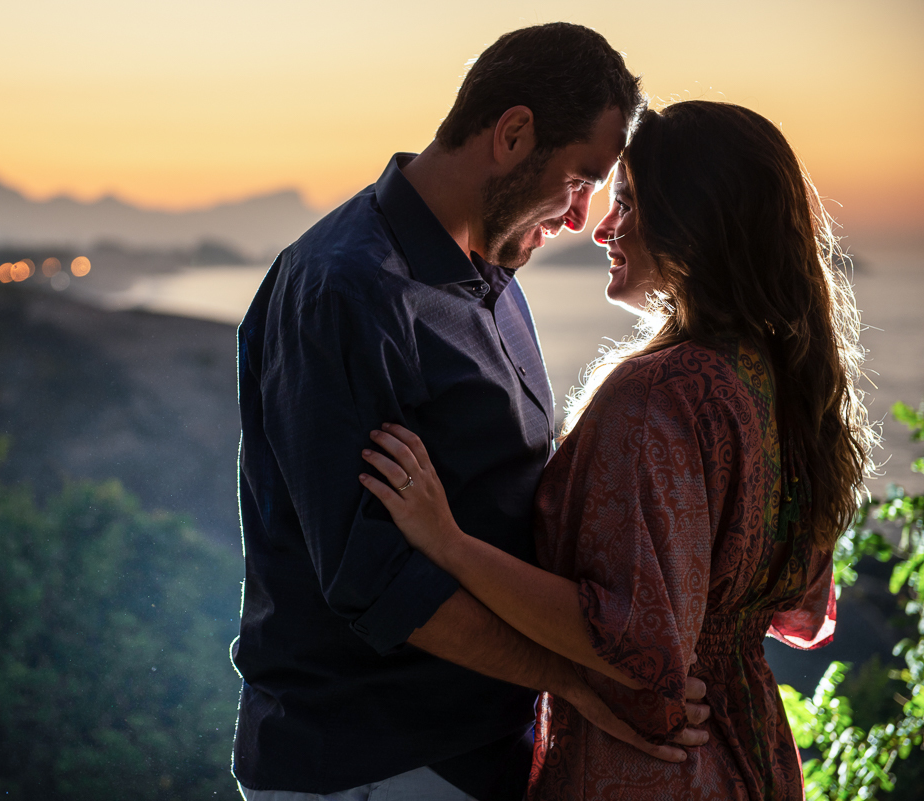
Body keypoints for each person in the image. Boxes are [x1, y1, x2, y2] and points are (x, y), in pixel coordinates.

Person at [231, 22, 711, 801]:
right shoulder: (346, 288)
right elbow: (378, 582)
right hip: (372, 763)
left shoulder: (492, 277)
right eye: (580, 179)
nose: (581, 218)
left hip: (479, 750)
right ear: (513, 134)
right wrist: (581, 680)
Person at [359, 100, 875, 800]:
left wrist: (449, 543)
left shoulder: (661, 394)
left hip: (652, 764)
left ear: (695, 223)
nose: (602, 227)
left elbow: (634, 640)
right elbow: (794, 606)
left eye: (628, 204)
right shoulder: (783, 386)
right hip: (754, 751)